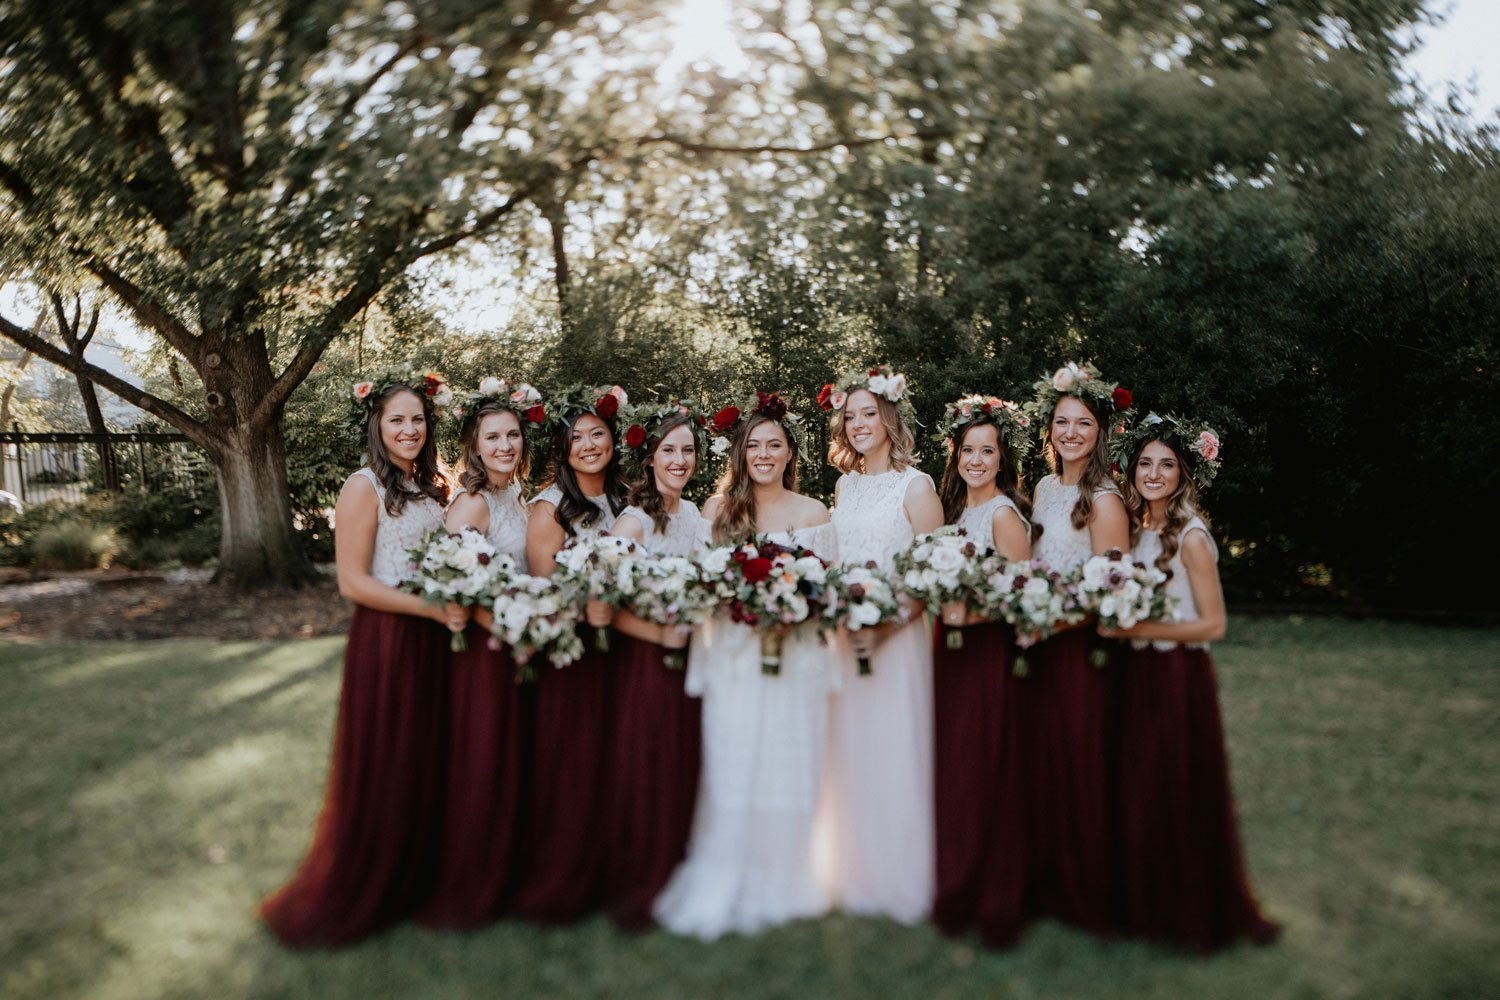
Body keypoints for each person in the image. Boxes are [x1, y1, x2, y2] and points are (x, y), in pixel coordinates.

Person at [261, 369, 463, 947]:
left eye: (418, 420)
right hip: (390, 638)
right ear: (376, 424)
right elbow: (352, 583)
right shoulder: (362, 487)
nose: (409, 429)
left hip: (434, 638)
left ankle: (421, 875)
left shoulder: (434, 488)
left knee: (429, 755)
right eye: (397, 419)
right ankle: (376, 881)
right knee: (390, 755)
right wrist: (428, 609)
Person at [654, 392, 838, 939]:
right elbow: (703, 586)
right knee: (733, 757)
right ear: (740, 454)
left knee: (787, 755)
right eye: (753, 445)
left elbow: (825, 595)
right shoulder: (716, 511)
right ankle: (729, 865)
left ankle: (785, 873)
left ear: (789, 454)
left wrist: (790, 607)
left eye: (773, 445)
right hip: (733, 656)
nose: (763, 454)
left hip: (793, 655)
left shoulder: (814, 513)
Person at [1106, 415, 1279, 950]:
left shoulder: (1193, 537)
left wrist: (1138, 627)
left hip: (1178, 675)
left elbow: (1215, 624)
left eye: (1167, 465)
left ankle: (1190, 911)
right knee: (1140, 786)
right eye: (1145, 464)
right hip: (1137, 673)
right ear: (1131, 469)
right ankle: (1144, 902)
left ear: (1184, 475)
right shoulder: (1134, 529)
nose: (1153, 474)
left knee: (1178, 785)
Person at [814, 365, 944, 924]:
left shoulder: (917, 486)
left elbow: (937, 572)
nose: (859, 422)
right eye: (851, 415)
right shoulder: (843, 486)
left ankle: (902, 874)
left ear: (890, 418)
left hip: (898, 640)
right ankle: (851, 871)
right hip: (846, 638)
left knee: (896, 745)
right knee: (850, 749)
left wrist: (886, 624)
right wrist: (843, 614)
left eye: (870, 412)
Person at [419, 379, 540, 928]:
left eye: (513, 435)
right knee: (483, 754)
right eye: (493, 437)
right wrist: (509, 629)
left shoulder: (519, 496)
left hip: (520, 640)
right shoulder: (469, 502)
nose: (505, 446)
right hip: (486, 649)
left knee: (516, 755)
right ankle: (474, 876)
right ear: (474, 443)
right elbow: (454, 582)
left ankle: (514, 867)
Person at [1023, 361, 1132, 935]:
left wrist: (1050, 623)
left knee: (1082, 762)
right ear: (1050, 430)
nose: (1070, 432)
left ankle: (1090, 890)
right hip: (1039, 643)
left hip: (1079, 649)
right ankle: (1050, 879)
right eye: (1062, 422)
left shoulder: (1106, 500)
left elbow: (1109, 597)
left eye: (1082, 423)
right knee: (1047, 765)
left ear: (1099, 432)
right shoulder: (1043, 488)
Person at [511, 384, 627, 923]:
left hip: (623, 649)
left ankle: (613, 867)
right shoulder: (548, 506)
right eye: (576, 437)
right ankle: (564, 874)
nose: (587, 444)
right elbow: (546, 587)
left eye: (596, 434)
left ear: (613, 439)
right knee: (573, 763)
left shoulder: (625, 499)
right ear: (562, 448)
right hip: (573, 652)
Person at [929, 395, 1034, 947]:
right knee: (956, 768)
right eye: (968, 449)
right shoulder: (954, 514)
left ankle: (996, 894)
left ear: (1002, 459)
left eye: (986, 451)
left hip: (987, 656)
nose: (976, 459)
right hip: (950, 654)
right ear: (956, 454)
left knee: (987, 768)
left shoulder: (1002, 515)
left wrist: (968, 612)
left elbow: (1024, 598)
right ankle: (957, 879)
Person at [603, 402, 709, 930]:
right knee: (647, 765)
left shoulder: (694, 517)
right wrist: (659, 635)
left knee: (683, 762)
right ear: (648, 458)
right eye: (669, 450)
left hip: (691, 658)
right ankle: (641, 873)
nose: (680, 459)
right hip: (645, 661)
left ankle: (679, 864)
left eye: (688, 450)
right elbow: (601, 608)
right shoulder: (633, 522)